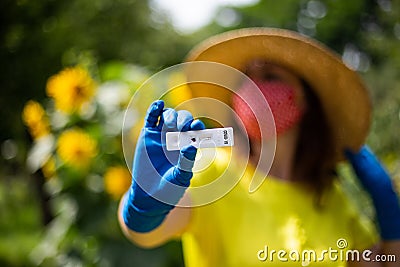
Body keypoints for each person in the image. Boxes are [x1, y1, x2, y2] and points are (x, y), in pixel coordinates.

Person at [118, 28, 400, 266]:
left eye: (270, 77)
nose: (253, 89)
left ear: (303, 99)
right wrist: (142, 207)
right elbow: (145, 235)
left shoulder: (330, 197)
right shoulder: (211, 169)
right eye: (245, 79)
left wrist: (389, 211)